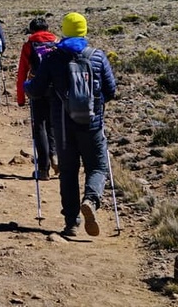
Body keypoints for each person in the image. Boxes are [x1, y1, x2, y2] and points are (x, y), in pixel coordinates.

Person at [26, 12, 117, 237]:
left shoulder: (53, 58)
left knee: (68, 171)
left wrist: (28, 84)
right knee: (97, 167)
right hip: (92, 125)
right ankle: (91, 200)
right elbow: (111, 90)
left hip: (63, 127)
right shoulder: (97, 56)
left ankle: (71, 223)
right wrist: (95, 102)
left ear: (64, 31)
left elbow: (36, 90)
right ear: (84, 30)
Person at [16, 17, 60, 180]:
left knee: (39, 126)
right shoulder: (57, 42)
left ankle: (43, 169)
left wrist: (21, 97)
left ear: (32, 30)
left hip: (37, 88)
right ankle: (55, 155)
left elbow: (22, 73)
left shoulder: (29, 45)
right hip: (56, 89)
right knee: (53, 124)